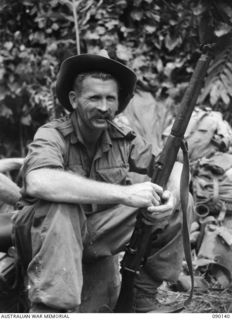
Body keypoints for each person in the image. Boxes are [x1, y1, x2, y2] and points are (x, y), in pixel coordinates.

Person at [12, 51, 193, 313]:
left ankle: (142, 295)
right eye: (94, 98)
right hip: (40, 236)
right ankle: (49, 310)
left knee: (175, 199)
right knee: (63, 206)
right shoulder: (52, 135)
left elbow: (173, 164)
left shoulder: (122, 138)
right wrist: (124, 194)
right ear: (74, 100)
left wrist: (173, 196)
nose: (104, 107)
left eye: (111, 98)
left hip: (90, 233)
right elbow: (39, 182)